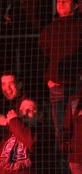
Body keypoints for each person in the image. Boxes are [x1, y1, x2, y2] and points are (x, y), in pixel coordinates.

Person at [38, 0, 82, 141]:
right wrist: (48, 79)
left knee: (79, 126)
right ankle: (63, 161)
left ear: (75, 5)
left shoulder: (80, 26)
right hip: (58, 86)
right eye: (58, 1)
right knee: (61, 129)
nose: (61, 3)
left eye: (65, 1)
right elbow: (41, 58)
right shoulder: (50, 30)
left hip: (78, 86)